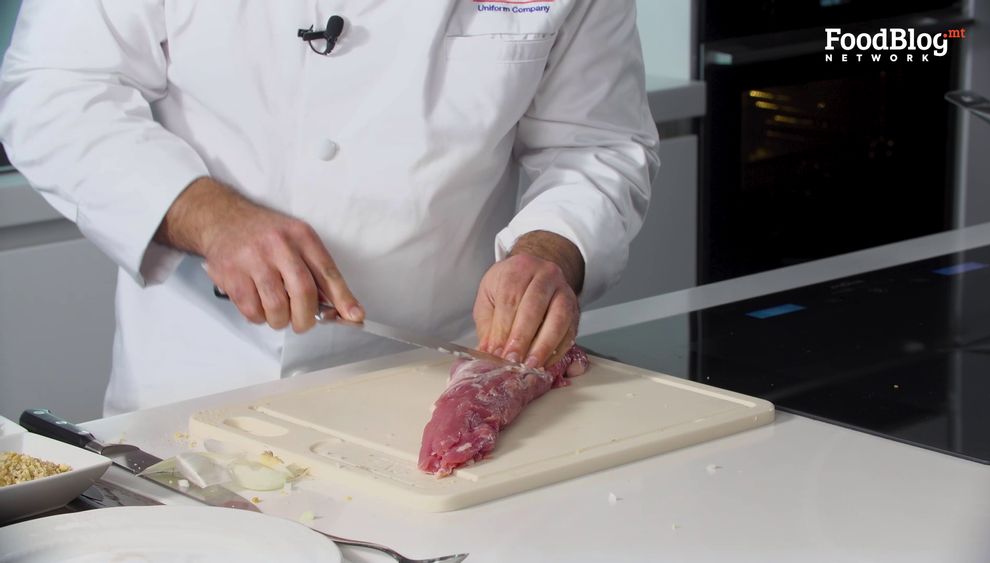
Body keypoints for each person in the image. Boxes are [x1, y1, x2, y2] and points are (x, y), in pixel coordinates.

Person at [0, 1, 659, 415]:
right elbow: (52, 90)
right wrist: (204, 212)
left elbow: (597, 142)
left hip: (434, 388)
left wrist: (551, 247)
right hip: (197, 397)